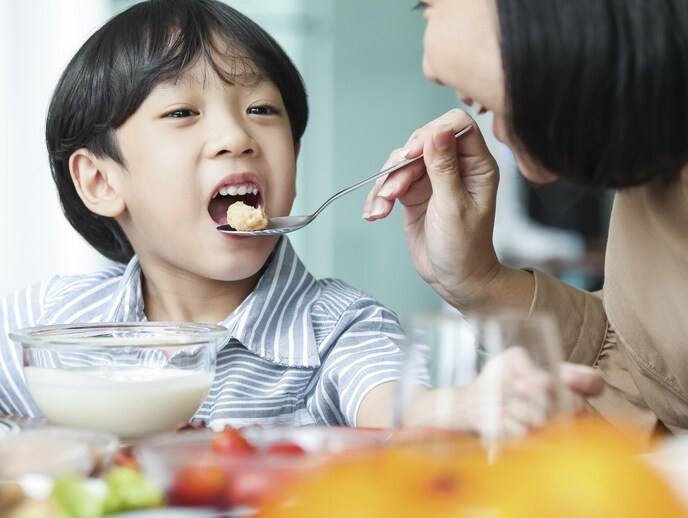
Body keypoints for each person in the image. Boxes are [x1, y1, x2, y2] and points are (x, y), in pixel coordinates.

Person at [363, 0, 688, 435]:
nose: (430, 68)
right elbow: (660, 392)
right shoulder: (651, 201)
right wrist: (479, 280)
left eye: (429, 5)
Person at [0, 0, 406, 429]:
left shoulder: (344, 329)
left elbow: (412, 419)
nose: (236, 136)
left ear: (294, 156)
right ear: (101, 181)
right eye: (182, 112)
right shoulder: (48, 322)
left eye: (261, 109)